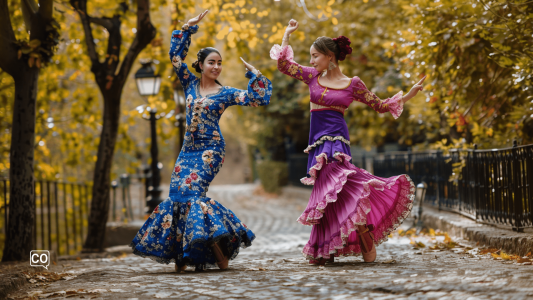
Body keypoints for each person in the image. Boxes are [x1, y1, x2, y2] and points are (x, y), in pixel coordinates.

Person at [271, 19, 424, 265]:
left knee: (338, 180)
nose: (311, 61)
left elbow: (381, 106)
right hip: (316, 144)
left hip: (338, 141)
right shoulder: (312, 76)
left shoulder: (352, 83)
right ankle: (328, 248)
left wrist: (408, 95)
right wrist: (286, 33)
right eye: (310, 57)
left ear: (330, 56)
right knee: (329, 195)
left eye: (315, 56)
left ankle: (362, 229)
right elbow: (284, 65)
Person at [130, 10, 272, 271]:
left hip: (211, 150)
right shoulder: (189, 84)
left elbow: (258, 99)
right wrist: (187, 28)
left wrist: (256, 75)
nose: (216, 66)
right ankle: (184, 255)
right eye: (212, 62)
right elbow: (174, 58)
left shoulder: (226, 93)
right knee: (177, 197)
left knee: (193, 195)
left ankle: (219, 254)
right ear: (201, 64)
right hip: (187, 151)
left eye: (219, 62)